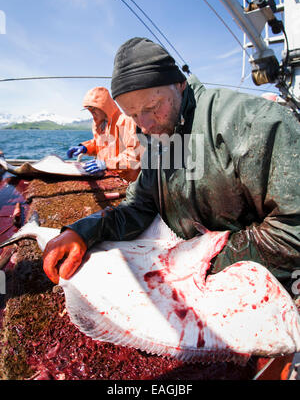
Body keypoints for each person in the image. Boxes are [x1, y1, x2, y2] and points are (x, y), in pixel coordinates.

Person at [43, 37, 300, 293]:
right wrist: (84, 232)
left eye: (153, 107)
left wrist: (206, 262)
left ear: (180, 84)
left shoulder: (253, 122)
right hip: (192, 271)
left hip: (263, 285)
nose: (144, 124)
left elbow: (293, 229)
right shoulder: (157, 135)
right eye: (132, 115)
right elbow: (139, 206)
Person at [67, 86, 141, 173]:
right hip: (108, 173)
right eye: (88, 109)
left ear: (104, 106)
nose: (91, 112)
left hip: (128, 179)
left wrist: (106, 163)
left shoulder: (127, 122)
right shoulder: (98, 125)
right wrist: (85, 147)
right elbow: (100, 144)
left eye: (93, 108)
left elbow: (134, 157)